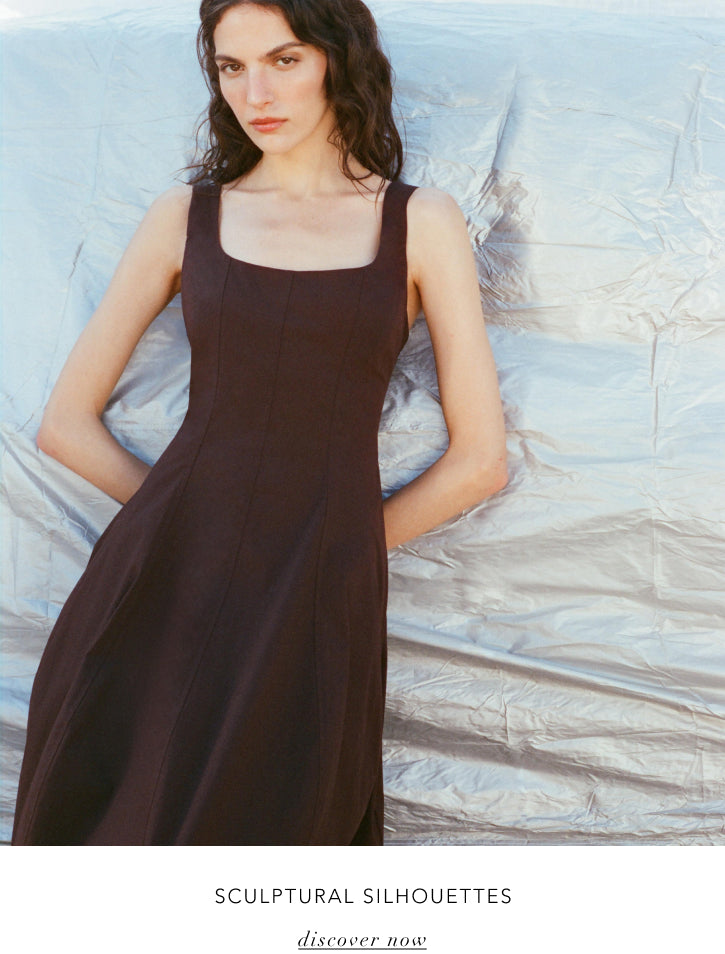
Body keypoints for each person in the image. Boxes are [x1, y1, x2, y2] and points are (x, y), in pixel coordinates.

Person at [11, 0, 507, 845]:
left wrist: (330, 547)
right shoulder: (185, 215)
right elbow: (65, 424)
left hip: (313, 604)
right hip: (163, 588)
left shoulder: (421, 221)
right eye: (231, 68)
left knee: (279, 838)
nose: (255, 93)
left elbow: (480, 461)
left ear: (338, 59)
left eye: (283, 60)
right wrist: (192, 523)